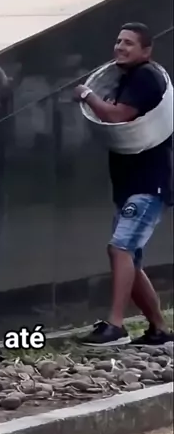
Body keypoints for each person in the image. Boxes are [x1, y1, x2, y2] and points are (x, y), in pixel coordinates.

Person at [73, 22, 173, 348]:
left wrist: (86, 95)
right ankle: (159, 329)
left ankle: (115, 325)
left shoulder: (145, 77)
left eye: (129, 42)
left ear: (146, 51)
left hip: (148, 183)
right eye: (118, 41)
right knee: (129, 257)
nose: (120, 47)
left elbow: (116, 116)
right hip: (132, 182)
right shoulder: (128, 78)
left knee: (120, 249)